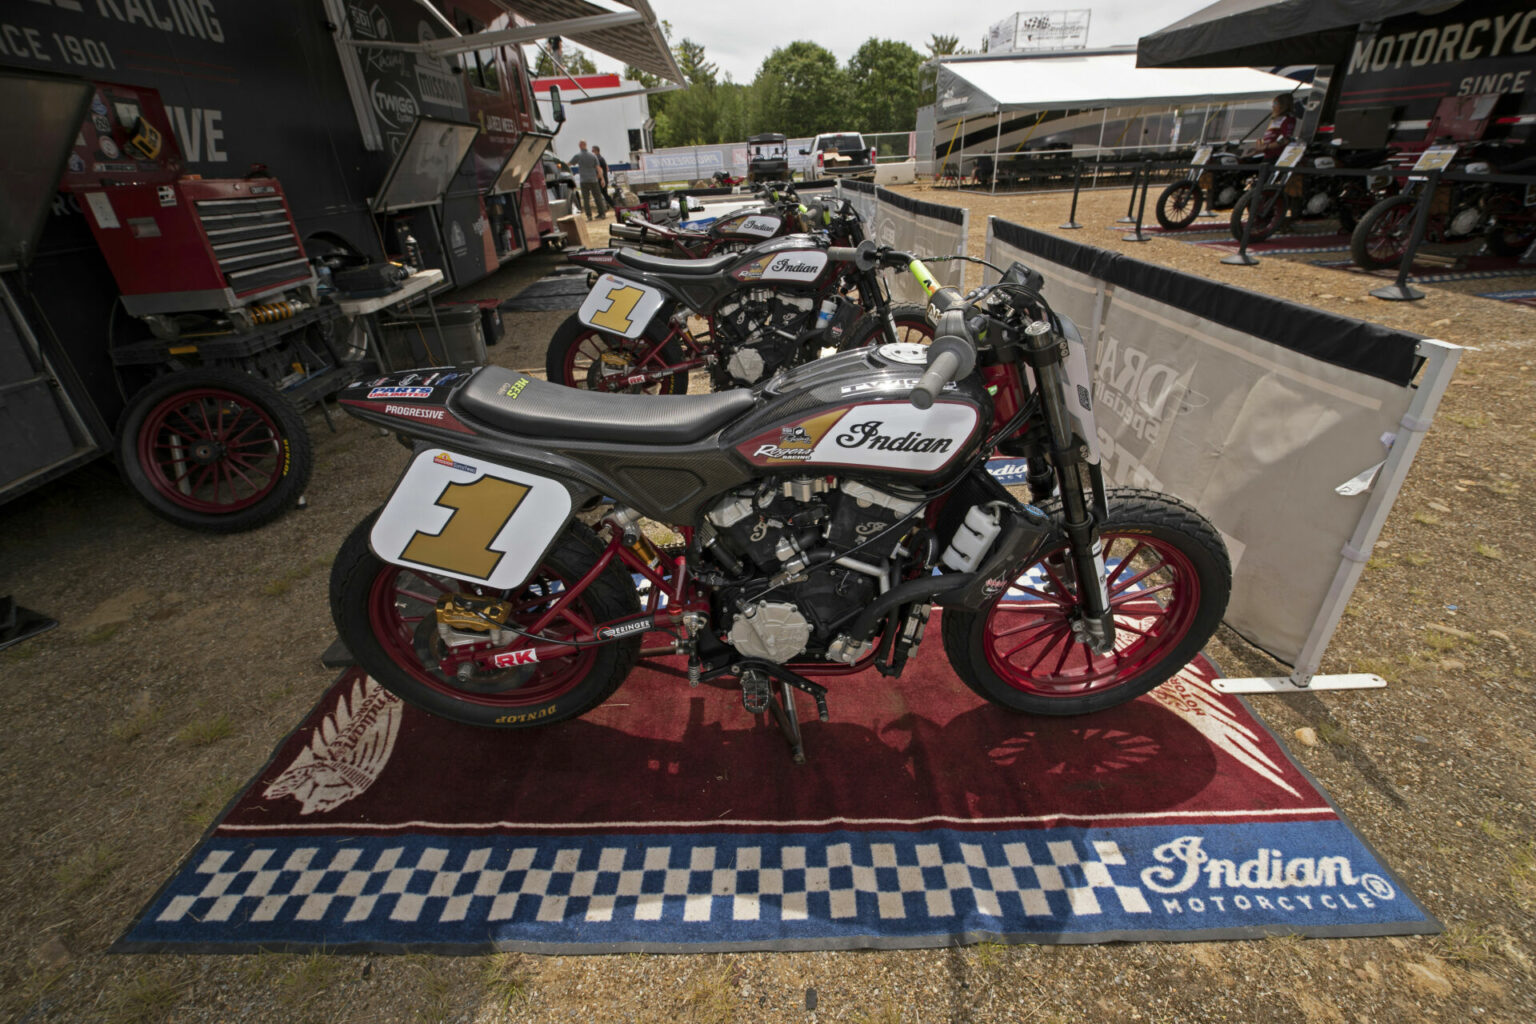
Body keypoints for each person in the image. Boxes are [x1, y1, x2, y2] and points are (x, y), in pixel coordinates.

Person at [571, 140, 607, 220]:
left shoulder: (578, 155)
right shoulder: (593, 155)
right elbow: (598, 168)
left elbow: (570, 163)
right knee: (597, 197)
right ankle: (602, 214)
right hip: (593, 179)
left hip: (584, 180)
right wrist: (602, 179)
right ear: (586, 145)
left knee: (586, 199)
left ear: (580, 146)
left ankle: (589, 216)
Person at [1258, 93, 1297, 160]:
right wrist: (1259, 145)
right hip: (1268, 156)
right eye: (1273, 104)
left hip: (1277, 157)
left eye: (1275, 104)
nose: (1273, 106)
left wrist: (1267, 146)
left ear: (1283, 105)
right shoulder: (1275, 119)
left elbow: (1286, 139)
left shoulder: (1288, 119)